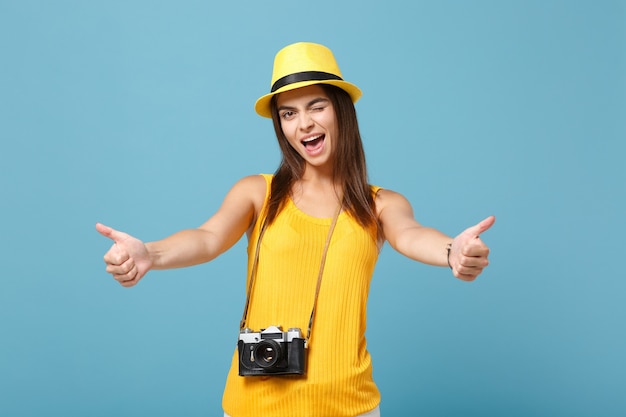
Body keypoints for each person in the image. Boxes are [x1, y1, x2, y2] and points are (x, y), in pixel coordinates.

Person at [96, 42, 494, 417]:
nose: (304, 124)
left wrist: (451, 251)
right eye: (288, 113)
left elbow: (410, 235)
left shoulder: (380, 204)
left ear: (341, 110)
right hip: (255, 405)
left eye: (315, 106)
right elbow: (207, 238)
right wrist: (151, 253)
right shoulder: (258, 192)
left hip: (348, 405)